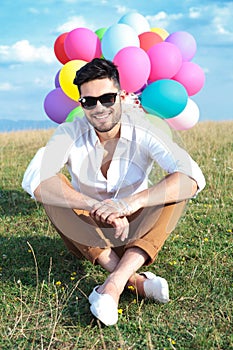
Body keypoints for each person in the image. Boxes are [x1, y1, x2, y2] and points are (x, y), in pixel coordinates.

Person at [22, 58, 205, 326]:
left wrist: (129, 204)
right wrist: (95, 205)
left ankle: (113, 286)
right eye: (89, 101)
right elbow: (35, 179)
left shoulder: (145, 128)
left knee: (174, 192)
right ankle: (132, 281)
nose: (99, 108)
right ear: (81, 104)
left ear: (120, 97)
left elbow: (192, 176)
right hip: (88, 230)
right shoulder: (68, 133)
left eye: (107, 98)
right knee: (53, 194)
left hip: (136, 226)